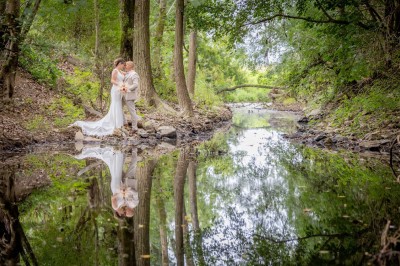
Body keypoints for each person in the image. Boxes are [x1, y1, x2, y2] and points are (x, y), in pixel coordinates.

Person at [71, 58, 126, 137]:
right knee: (115, 104)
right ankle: (116, 124)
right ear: (119, 64)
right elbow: (112, 80)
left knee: (118, 104)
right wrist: (120, 84)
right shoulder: (115, 71)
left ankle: (119, 124)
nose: (123, 66)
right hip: (116, 89)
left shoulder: (121, 71)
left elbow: (127, 74)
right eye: (122, 65)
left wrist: (125, 84)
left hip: (120, 90)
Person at [121, 61, 139, 132]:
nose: (125, 66)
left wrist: (127, 89)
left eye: (127, 65)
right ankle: (124, 122)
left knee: (132, 112)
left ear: (131, 66)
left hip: (130, 95)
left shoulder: (134, 74)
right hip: (123, 95)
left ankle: (135, 127)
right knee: (119, 108)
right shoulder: (127, 74)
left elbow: (135, 85)